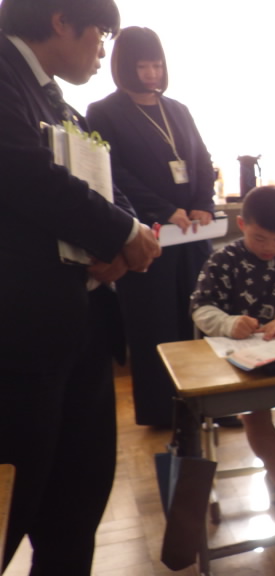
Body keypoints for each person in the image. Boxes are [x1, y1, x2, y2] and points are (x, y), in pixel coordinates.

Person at [0, 0, 162, 572]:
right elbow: (24, 174)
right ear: (61, 21)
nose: (102, 51)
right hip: (21, 343)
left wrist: (122, 235)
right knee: (13, 505)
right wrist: (121, 232)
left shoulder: (55, 99)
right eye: (102, 34)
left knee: (76, 506)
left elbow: (105, 182)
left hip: (82, 330)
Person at [86, 26, 220, 428]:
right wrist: (164, 209)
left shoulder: (177, 109)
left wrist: (202, 204)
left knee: (200, 319)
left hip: (192, 236)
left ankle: (211, 402)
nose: (151, 74)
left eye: (157, 65)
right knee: (155, 326)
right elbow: (114, 174)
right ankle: (165, 412)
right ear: (124, 66)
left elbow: (201, 159)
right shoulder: (103, 112)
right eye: (142, 66)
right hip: (147, 237)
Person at [190, 186, 275, 530]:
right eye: (259, 238)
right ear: (242, 224)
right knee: (255, 411)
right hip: (240, 357)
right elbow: (201, 308)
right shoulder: (223, 260)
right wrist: (229, 323)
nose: (269, 248)